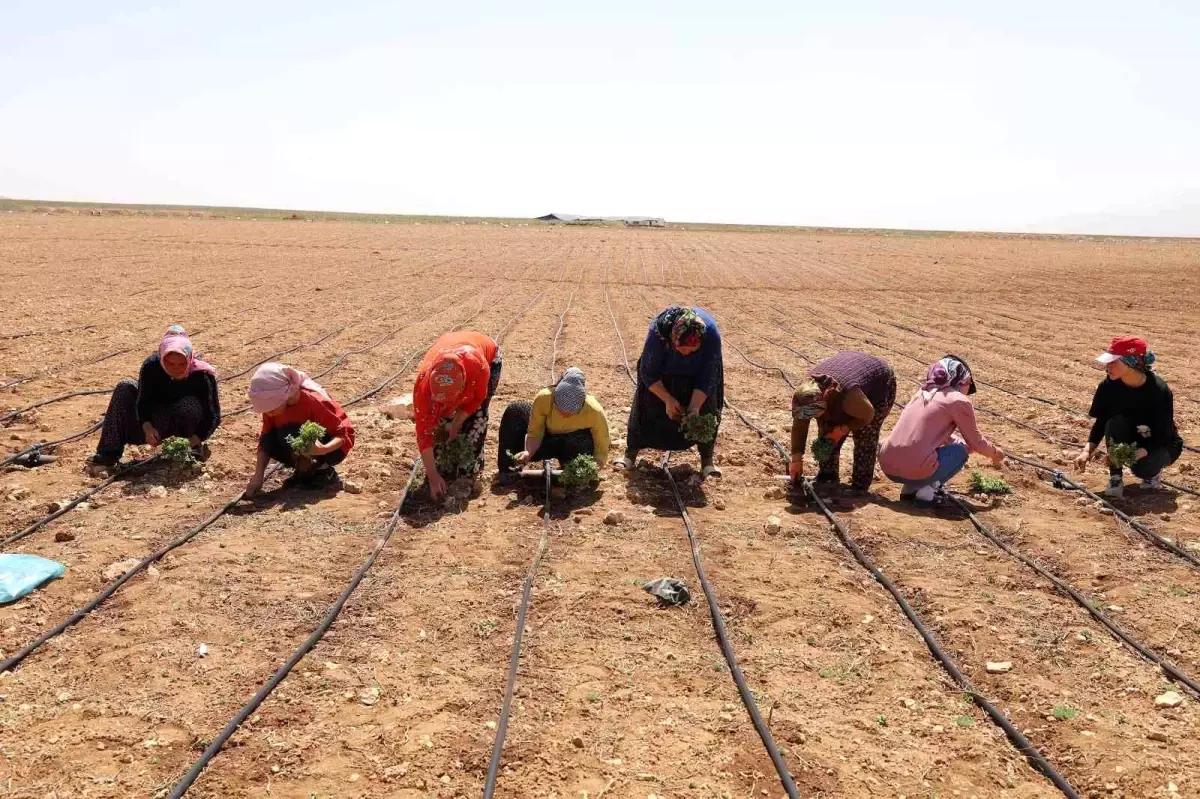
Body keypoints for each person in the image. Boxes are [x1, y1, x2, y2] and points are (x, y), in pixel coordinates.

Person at [879, 355, 1005, 503]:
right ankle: (927, 491)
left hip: (887, 465)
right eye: (968, 383)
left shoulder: (921, 393)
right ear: (959, 380)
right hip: (914, 468)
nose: (967, 389)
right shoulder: (958, 400)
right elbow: (976, 442)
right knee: (960, 452)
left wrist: (958, 441)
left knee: (943, 449)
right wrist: (996, 453)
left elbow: (928, 432)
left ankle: (910, 490)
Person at [89, 325, 220, 467]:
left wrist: (194, 439)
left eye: (182, 364)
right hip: (157, 420)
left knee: (188, 404)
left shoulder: (202, 375)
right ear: (162, 358)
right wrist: (147, 428)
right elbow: (143, 401)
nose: (176, 369)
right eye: (170, 363)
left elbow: (213, 415)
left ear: (189, 358)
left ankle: (193, 449)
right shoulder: (151, 366)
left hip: (185, 425)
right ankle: (109, 453)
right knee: (125, 387)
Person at [618, 306, 724, 477]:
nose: (686, 354)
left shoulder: (710, 335)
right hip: (662, 374)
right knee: (645, 407)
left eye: (692, 350)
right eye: (682, 349)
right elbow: (648, 372)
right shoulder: (658, 333)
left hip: (696, 375)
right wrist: (667, 399)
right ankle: (630, 454)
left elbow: (708, 376)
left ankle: (707, 461)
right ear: (673, 340)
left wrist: (695, 407)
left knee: (706, 412)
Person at [1074, 336, 1182, 498]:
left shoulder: (1159, 390)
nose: (1107, 367)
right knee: (1113, 422)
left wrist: (1133, 455)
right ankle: (1115, 478)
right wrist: (1086, 452)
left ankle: (1151, 474)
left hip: (1160, 443)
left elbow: (1163, 435)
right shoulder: (1108, 387)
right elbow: (1102, 422)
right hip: (1131, 433)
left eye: (1113, 362)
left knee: (1142, 468)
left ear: (1131, 363)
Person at [413, 331, 502, 500]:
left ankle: (469, 473)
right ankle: (442, 464)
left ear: (462, 389)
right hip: (450, 347)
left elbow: (478, 398)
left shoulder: (478, 368)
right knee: (438, 422)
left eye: (449, 402)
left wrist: (457, 422)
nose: (445, 406)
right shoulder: (423, 385)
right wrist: (432, 476)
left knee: (477, 418)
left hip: (487, 355)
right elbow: (423, 431)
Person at [790, 351, 896, 491]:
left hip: (879, 386)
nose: (813, 418)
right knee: (827, 432)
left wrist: (843, 429)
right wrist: (796, 460)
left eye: (816, 414)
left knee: (865, 435)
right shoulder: (804, 394)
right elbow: (800, 425)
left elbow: (868, 415)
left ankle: (860, 486)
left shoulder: (848, 398)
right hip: (848, 382)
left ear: (825, 400)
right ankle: (827, 477)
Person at [245, 363, 355, 496]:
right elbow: (266, 438)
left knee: (290, 431)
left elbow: (342, 435)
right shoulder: (273, 409)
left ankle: (323, 471)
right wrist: (258, 475)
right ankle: (303, 471)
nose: (268, 413)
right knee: (272, 438)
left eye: (271, 409)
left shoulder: (313, 401)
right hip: (304, 443)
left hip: (334, 446)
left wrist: (323, 449)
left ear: (282, 396)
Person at [499, 367, 611, 474]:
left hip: (571, 446)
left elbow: (602, 444)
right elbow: (535, 432)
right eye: (560, 410)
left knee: (585, 440)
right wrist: (528, 452)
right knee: (516, 409)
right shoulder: (544, 398)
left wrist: (593, 467)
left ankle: (571, 473)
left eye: (570, 413)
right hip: (544, 441)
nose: (564, 415)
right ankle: (508, 471)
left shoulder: (593, 410)